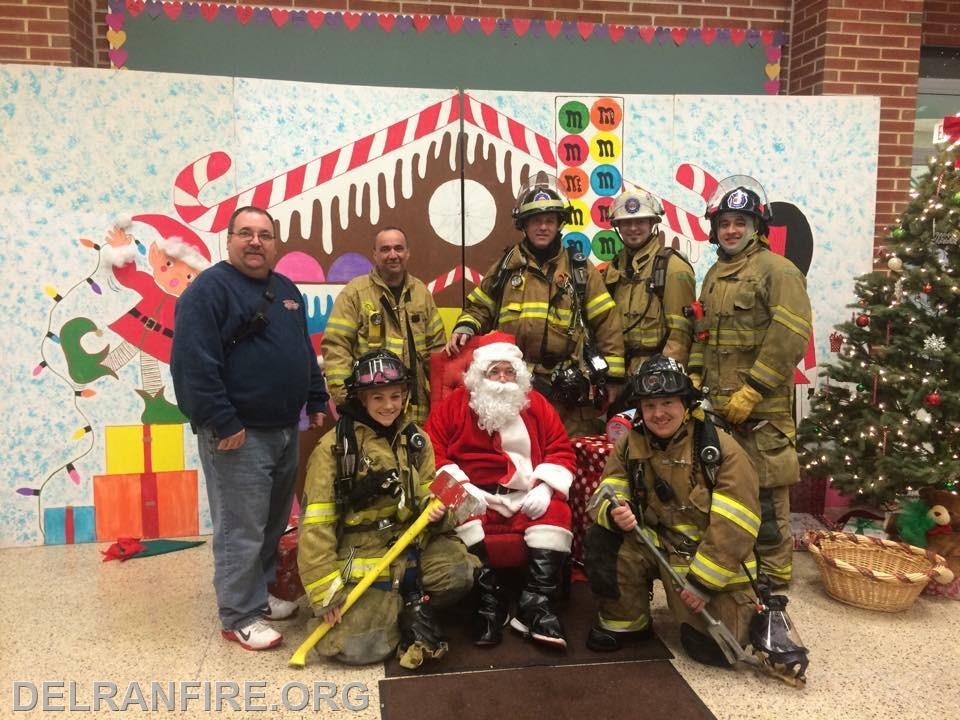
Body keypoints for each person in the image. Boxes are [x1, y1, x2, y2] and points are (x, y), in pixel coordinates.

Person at [171, 205, 329, 651]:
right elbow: (192, 366)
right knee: (240, 528)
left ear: (276, 243)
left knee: (271, 524)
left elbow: (301, 350)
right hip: (237, 434)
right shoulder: (208, 291)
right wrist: (222, 421)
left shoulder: (285, 290)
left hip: (282, 429)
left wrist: (315, 398)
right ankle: (239, 614)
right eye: (246, 233)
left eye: (264, 234)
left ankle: (257, 596)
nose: (256, 241)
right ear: (230, 240)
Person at [298, 349, 477, 669]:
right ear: (362, 399)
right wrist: (326, 592)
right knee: (357, 649)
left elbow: (433, 497)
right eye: (378, 397)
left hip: (410, 547)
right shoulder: (334, 450)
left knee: (460, 572)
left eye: (396, 396)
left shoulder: (418, 440)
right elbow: (315, 527)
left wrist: (437, 512)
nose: (389, 405)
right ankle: (404, 612)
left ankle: (404, 607)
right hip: (361, 555)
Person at [584, 355, 761, 666]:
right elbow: (606, 490)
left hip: (706, 559)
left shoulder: (720, 449)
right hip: (655, 542)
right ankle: (626, 623)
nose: (658, 413)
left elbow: (735, 525)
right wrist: (617, 509)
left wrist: (703, 583)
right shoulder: (628, 445)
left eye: (667, 403)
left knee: (711, 652)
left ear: (685, 404)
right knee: (603, 538)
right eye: (649, 406)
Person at [687, 176, 812, 586]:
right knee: (726, 493)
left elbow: (790, 333)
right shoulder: (714, 275)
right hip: (720, 409)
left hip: (762, 411)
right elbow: (702, 333)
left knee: (766, 495)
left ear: (757, 226)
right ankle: (741, 569)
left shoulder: (778, 271)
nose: (732, 230)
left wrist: (754, 388)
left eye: (741, 222)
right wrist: (693, 374)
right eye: (725, 223)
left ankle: (775, 583)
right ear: (715, 228)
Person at [445, 173, 625, 437]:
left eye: (549, 220)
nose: (543, 227)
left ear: (559, 224)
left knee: (565, 459)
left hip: (567, 394)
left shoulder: (579, 269)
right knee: (515, 454)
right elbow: (479, 307)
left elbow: (606, 323)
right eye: (536, 221)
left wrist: (613, 379)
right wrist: (466, 327)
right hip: (512, 386)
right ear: (524, 225)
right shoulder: (507, 267)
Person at [425, 338, 576, 649]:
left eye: (510, 372)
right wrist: (462, 488)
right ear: (480, 376)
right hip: (474, 493)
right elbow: (430, 457)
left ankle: (536, 603)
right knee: (455, 505)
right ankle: (488, 599)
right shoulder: (452, 407)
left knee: (558, 512)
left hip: (525, 493)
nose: (504, 379)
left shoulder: (537, 405)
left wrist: (547, 487)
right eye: (495, 372)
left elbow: (561, 449)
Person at [61, 214, 212, 423]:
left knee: (147, 359)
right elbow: (127, 277)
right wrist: (122, 251)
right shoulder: (150, 286)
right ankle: (100, 372)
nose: (175, 278)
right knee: (136, 350)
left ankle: (151, 403)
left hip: (163, 337)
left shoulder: (186, 305)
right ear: (154, 256)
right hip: (139, 327)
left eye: (189, 276)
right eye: (168, 265)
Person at [322, 227, 446, 426]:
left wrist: (443, 402)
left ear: (407, 252)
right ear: (375, 254)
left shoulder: (421, 294)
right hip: (371, 410)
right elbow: (336, 347)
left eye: (398, 248)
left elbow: (437, 351)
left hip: (417, 412)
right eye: (385, 249)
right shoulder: (355, 293)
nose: (393, 255)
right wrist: (347, 401)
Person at [603, 190, 695, 380]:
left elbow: (681, 335)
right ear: (617, 226)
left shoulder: (673, 267)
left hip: (655, 376)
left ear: (653, 223)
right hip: (619, 375)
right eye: (626, 222)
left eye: (641, 221)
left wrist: (663, 378)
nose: (633, 228)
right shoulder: (613, 269)